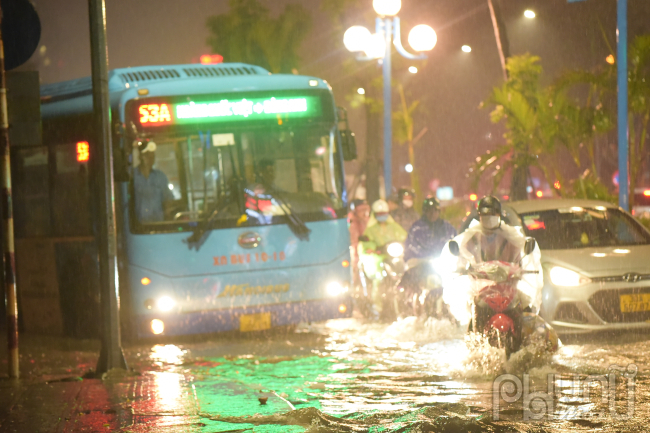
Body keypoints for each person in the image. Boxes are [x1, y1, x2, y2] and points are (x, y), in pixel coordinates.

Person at [358, 199, 408, 314]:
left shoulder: (394, 227)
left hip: (394, 257)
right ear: (375, 215)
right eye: (379, 214)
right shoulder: (370, 230)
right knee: (379, 280)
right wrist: (372, 249)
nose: (382, 216)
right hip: (379, 259)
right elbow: (366, 243)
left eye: (384, 214)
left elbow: (404, 236)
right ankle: (378, 307)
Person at [404, 196, 457, 263]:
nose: (432, 214)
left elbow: (455, 244)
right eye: (429, 211)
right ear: (425, 212)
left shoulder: (448, 228)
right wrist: (426, 258)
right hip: (422, 265)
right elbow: (410, 248)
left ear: (439, 211)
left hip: (443, 263)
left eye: (435, 210)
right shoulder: (416, 228)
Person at [133, 140, 174, 223]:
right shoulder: (132, 177)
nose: (151, 158)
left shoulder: (160, 177)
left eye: (152, 155)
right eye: (147, 155)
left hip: (158, 225)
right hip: (138, 228)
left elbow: (168, 200)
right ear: (140, 156)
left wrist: (167, 214)